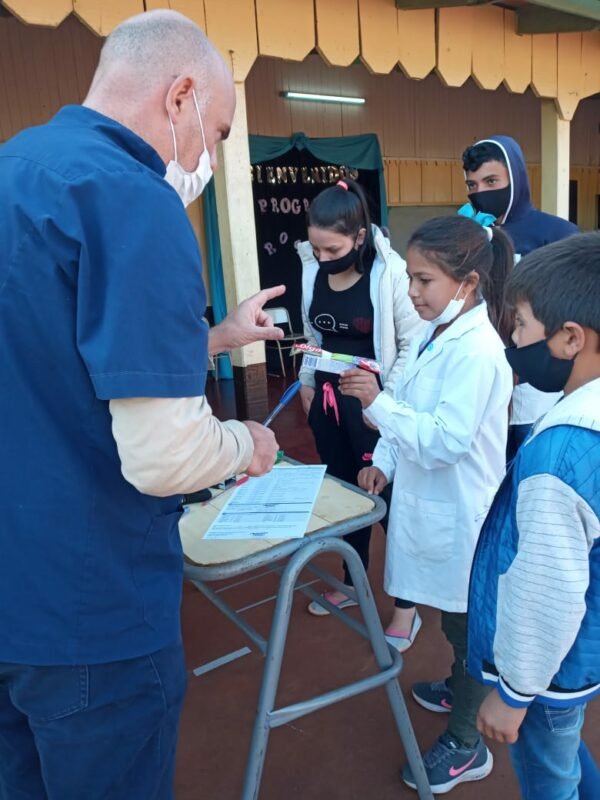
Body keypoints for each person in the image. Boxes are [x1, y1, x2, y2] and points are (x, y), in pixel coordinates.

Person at [0, 11, 284, 800]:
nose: (207, 157)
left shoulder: (16, 168)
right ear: (181, 95)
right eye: (217, 134)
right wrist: (247, 442)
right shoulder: (133, 200)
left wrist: (217, 337)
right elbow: (168, 456)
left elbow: (52, 355)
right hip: (90, 609)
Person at [339, 216, 514, 792]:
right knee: (449, 616)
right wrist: (383, 463)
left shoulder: (478, 351)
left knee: (467, 630)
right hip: (431, 505)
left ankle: (467, 742)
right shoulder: (435, 333)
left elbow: (444, 441)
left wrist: (377, 406)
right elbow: (408, 408)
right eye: (410, 277)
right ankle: (459, 686)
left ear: (467, 283)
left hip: (464, 514)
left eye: (423, 280)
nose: (412, 291)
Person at [469, 232, 600, 800]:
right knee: (564, 753)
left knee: (549, 777)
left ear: (570, 338)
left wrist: (514, 693)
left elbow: (546, 587)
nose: (513, 340)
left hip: (546, 675)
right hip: (580, 653)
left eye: (520, 325)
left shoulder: (560, 454)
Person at [296, 178, 423, 619]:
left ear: (360, 236)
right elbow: (313, 335)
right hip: (327, 404)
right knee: (346, 495)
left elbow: (411, 345)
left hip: (372, 408)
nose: (322, 258)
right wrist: (308, 381)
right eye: (316, 249)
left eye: (332, 249)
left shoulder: (390, 274)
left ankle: (407, 605)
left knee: (387, 500)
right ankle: (352, 583)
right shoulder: (313, 270)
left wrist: (382, 403)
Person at [461, 135, 578, 461]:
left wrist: (526, 367)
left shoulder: (558, 235)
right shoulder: (467, 236)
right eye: (472, 185)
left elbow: (570, 314)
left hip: (536, 385)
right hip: (480, 381)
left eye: (491, 181)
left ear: (517, 178)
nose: (481, 192)